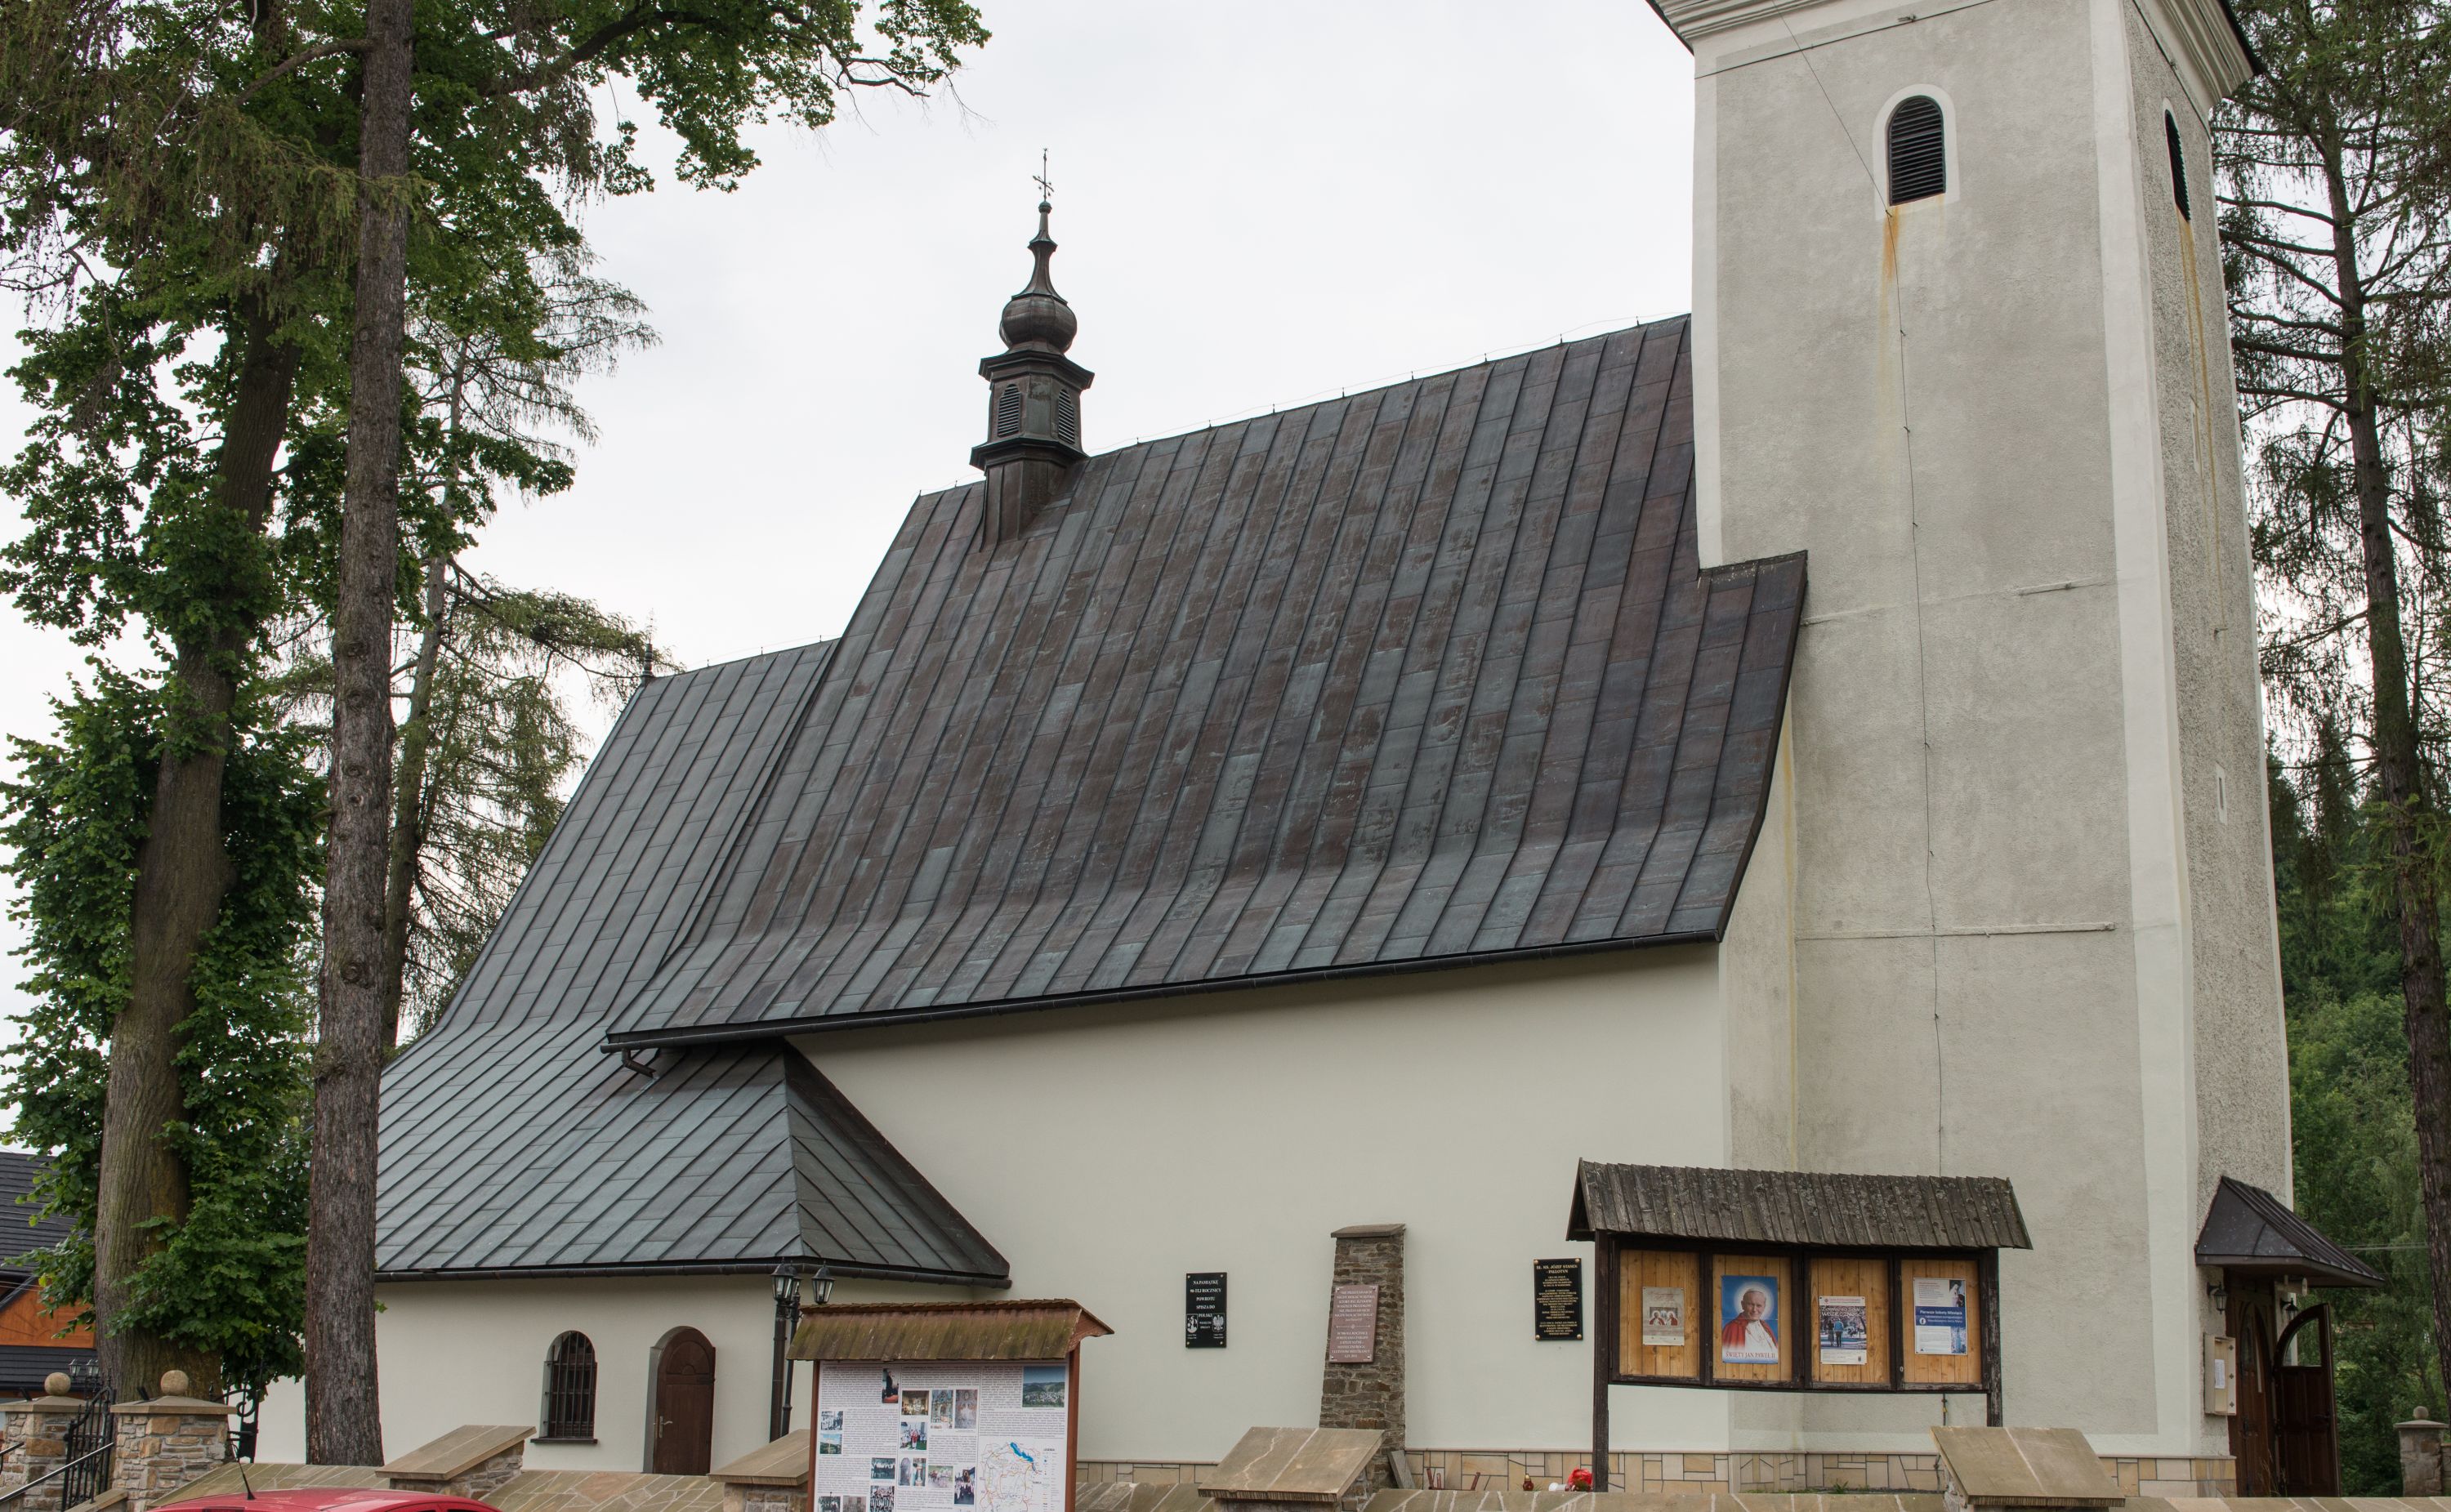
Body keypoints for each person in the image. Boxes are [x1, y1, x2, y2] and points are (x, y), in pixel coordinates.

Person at [1721, 1285, 1778, 1360]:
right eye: (1751, 1304)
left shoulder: (1766, 1327)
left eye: (1759, 1306)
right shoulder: (1731, 1328)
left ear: (1764, 1307)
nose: (1754, 1310)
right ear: (1743, 1305)